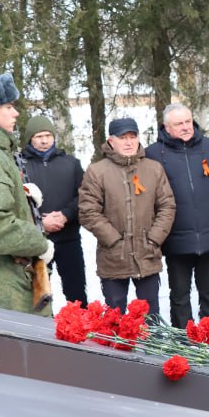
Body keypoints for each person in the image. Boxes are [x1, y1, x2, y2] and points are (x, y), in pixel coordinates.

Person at [144, 103, 209, 326]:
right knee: (180, 294)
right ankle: (183, 336)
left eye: (188, 121)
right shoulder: (152, 154)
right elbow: (148, 200)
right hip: (175, 237)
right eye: (178, 124)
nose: (185, 127)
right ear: (166, 127)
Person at [78, 118, 176, 315]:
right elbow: (88, 211)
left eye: (133, 137)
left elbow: (167, 205)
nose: (129, 142)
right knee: (114, 315)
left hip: (147, 255)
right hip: (113, 258)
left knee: (150, 315)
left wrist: (154, 239)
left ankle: (150, 338)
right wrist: (114, 240)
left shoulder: (154, 168)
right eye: (123, 138)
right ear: (111, 141)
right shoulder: (97, 171)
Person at [0, 71, 53, 314]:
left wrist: (20, 194)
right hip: (3, 288)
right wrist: (39, 244)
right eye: (8, 106)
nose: (15, 113)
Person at [19, 114, 86, 306]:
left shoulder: (71, 163)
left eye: (48, 135)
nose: (44, 140)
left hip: (69, 239)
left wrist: (65, 215)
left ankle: (79, 323)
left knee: (76, 293)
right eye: (39, 136)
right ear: (30, 139)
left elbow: (84, 196)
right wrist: (41, 222)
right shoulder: (20, 165)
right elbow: (17, 201)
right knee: (39, 296)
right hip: (36, 242)